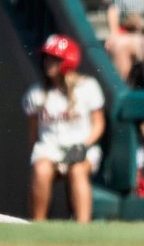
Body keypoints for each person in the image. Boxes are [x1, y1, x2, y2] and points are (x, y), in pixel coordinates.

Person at [22, 34, 105, 223]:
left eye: (55, 58)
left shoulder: (87, 87)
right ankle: (38, 226)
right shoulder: (36, 93)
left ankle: (83, 228)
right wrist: (36, 153)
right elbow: (33, 132)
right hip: (50, 148)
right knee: (41, 169)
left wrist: (84, 145)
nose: (48, 63)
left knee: (77, 170)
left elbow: (99, 123)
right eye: (47, 57)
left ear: (67, 60)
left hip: (81, 146)